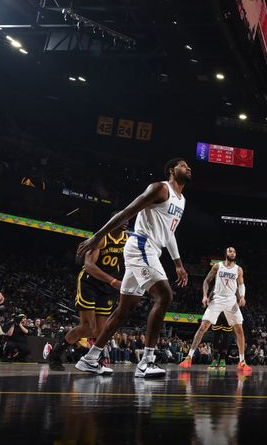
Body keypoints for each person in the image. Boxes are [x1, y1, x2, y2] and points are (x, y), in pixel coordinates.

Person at [75, 158, 191, 378]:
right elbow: (128, 212)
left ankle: (90, 358)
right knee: (164, 296)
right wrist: (98, 235)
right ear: (171, 170)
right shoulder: (159, 188)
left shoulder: (182, 200)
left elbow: (169, 233)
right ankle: (146, 361)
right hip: (141, 246)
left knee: (123, 311)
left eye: (188, 166)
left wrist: (178, 263)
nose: (188, 167)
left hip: (152, 250)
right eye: (183, 165)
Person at [48, 220, 127, 370]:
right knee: (87, 326)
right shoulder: (102, 238)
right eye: (121, 218)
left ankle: (88, 359)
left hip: (107, 286)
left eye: (126, 219)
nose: (126, 221)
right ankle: (55, 354)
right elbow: (89, 266)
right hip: (90, 283)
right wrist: (113, 281)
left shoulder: (126, 239)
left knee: (99, 331)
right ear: (113, 222)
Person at [179, 247, 251, 373]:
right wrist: (205, 296)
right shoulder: (217, 266)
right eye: (230, 251)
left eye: (234, 251)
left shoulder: (238, 269)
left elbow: (241, 284)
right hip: (217, 299)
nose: (232, 253)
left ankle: (242, 361)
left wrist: (243, 297)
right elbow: (207, 281)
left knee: (239, 329)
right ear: (226, 253)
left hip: (231, 300)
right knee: (203, 327)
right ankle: (189, 357)